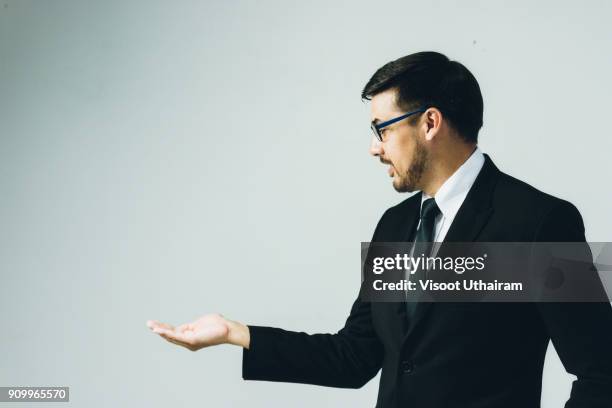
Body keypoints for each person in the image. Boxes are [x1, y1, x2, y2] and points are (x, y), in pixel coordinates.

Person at [146, 51, 612, 407]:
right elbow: (356, 356)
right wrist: (235, 332)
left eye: (381, 129)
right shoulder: (395, 224)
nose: (374, 149)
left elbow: (603, 372)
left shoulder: (542, 220)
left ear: (430, 122)